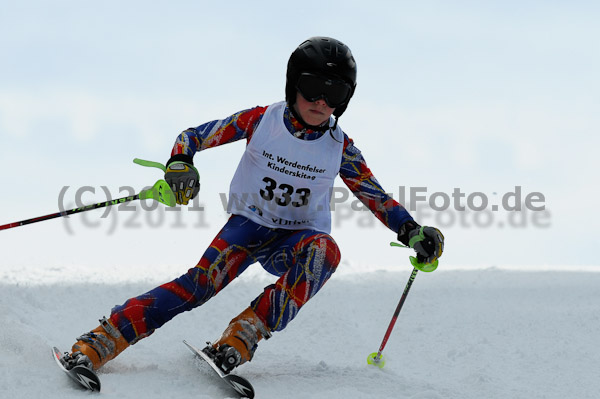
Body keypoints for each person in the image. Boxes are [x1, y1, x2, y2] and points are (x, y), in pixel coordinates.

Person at [60, 36, 444, 374]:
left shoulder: (340, 147)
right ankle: (101, 340)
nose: (321, 102)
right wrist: (181, 163)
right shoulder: (262, 121)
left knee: (324, 252)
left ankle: (242, 336)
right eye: (311, 88)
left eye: (335, 94)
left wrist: (411, 232)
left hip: (295, 239)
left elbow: (373, 194)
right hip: (248, 226)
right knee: (198, 286)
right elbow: (192, 136)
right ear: (293, 85)